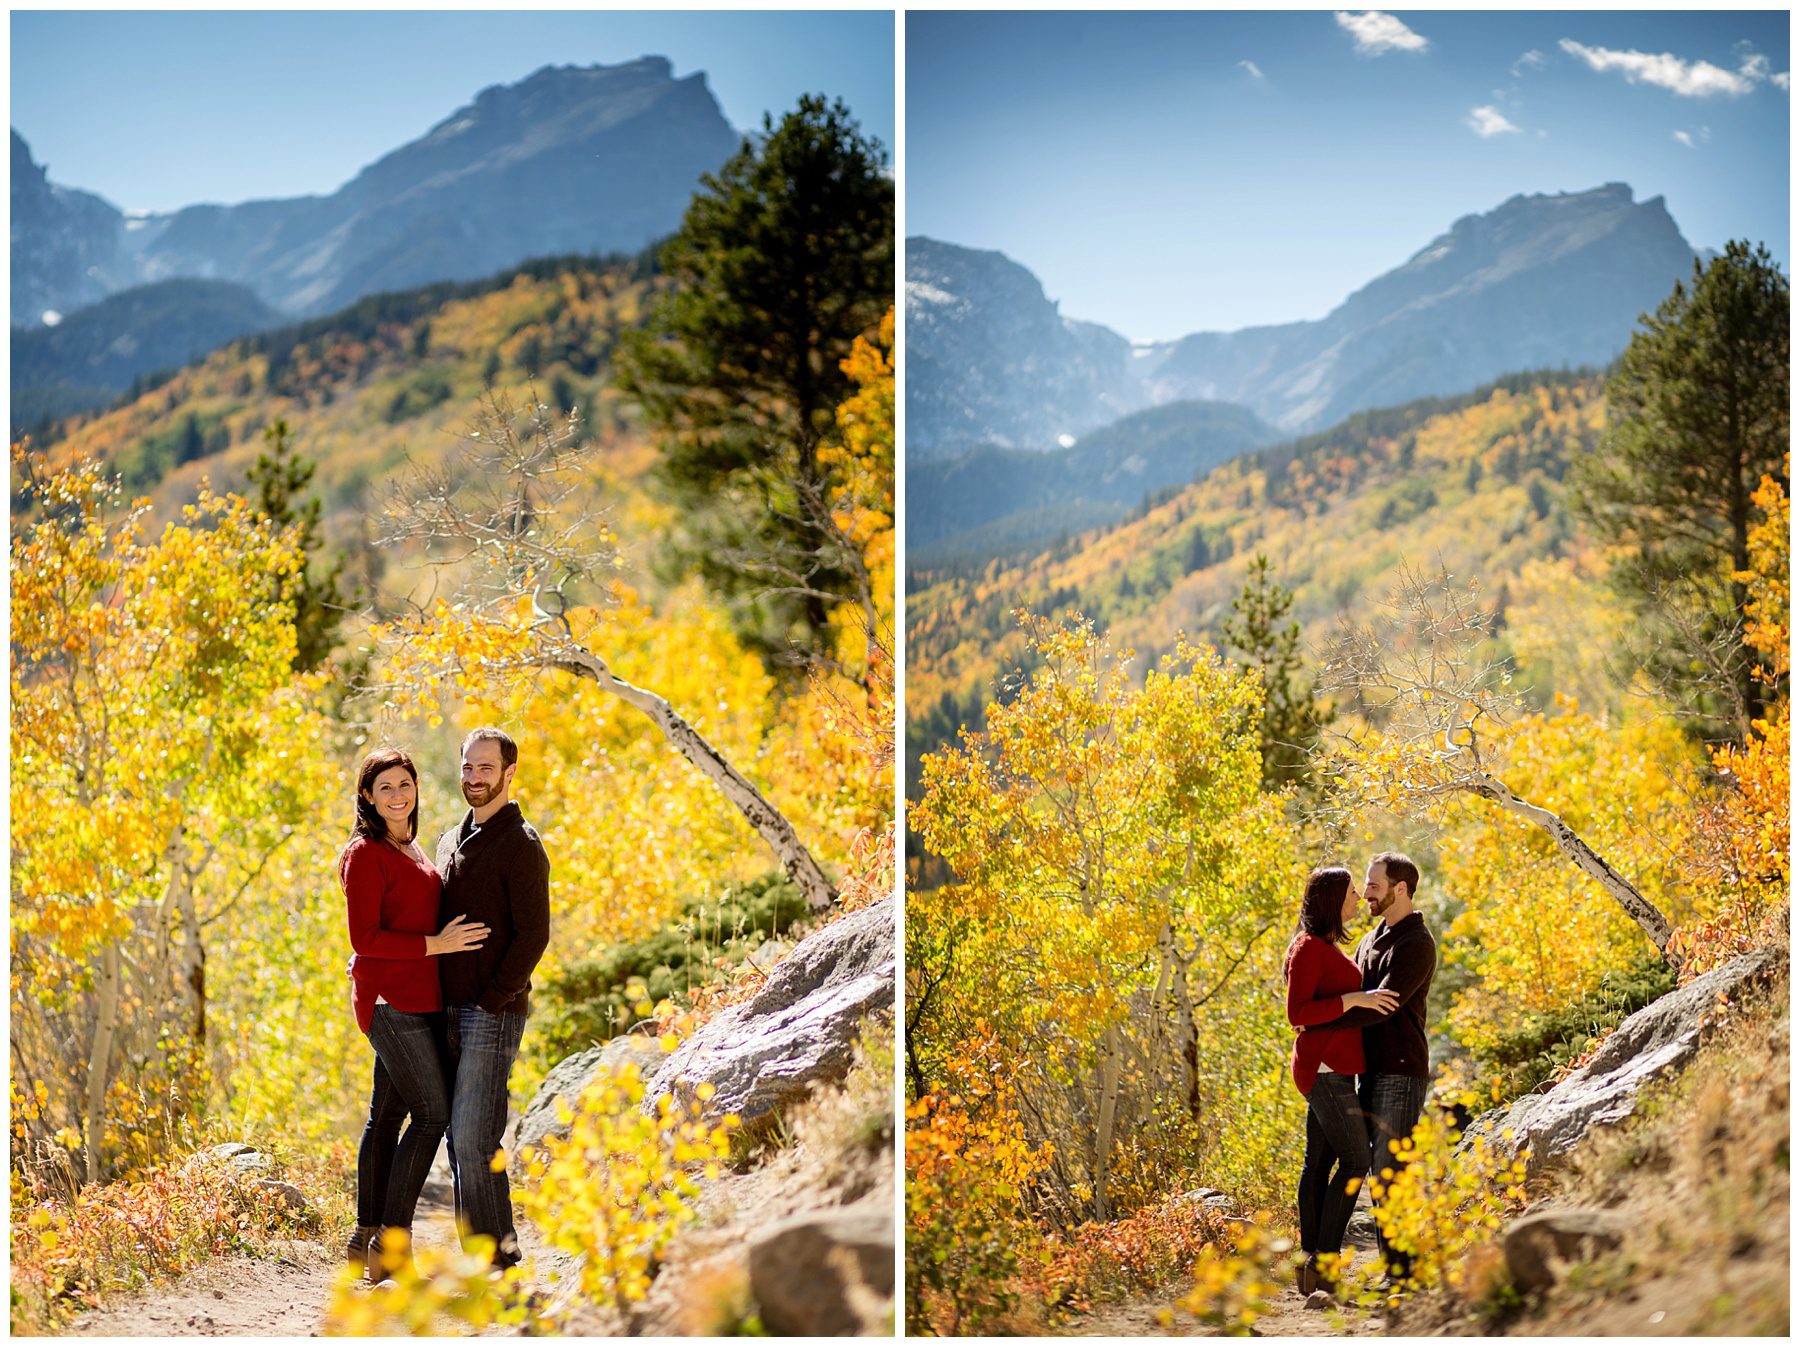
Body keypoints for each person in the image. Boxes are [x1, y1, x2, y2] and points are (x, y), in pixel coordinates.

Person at [340, 748, 489, 1278]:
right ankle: (391, 1245)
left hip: (420, 999)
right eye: (385, 788)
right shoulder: (366, 854)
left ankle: (364, 1237)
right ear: (367, 796)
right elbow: (365, 938)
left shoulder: (412, 846)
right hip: (390, 1001)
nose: (398, 795)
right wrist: (437, 945)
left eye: (405, 784)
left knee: (386, 1119)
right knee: (433, 1115)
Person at [434, 728, 551, 1270]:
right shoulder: (453, 838)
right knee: (464, 1140)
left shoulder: (520, 843)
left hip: (492, 1011)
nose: (474, 778)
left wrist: (493, 997)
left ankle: (493, 1263)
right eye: (467, 768)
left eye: (485, 768)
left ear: (508, 773)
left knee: (474, 1136)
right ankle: (494, 1251)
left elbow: (534, 934)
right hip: (448, 1008)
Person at [1322, 851, 1438, 1284]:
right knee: (1374, 1171)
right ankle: (1397, 1267)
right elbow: (1354, 992)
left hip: (1401, 1070)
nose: (1365, 893)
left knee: (1390, 1170)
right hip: (1366, 1071)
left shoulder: (1416, 943)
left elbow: (1383, 1006)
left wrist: (1323, 1016)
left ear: (1400, 888)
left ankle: (1402, 1271)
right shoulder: (1372, 937)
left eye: (1373, 885)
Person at [1284, 867, 1399, 1296]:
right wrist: (1355, 998)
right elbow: (1298, 1015)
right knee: (1355, 1161)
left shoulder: (1325, 945)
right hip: (1325, 1071)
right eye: (1352, 892)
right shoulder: (1309, 948)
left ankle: (1309, 1264)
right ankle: (1325, 1262)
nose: (1358, 899)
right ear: (1334, 899)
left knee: (1317, 1163)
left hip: (1336, 1070)